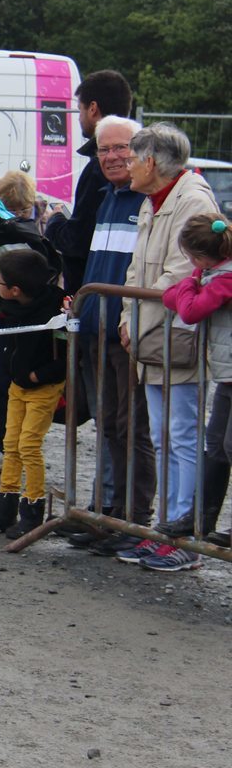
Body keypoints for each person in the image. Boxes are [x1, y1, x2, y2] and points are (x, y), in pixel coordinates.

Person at [116, 123, 218, 563]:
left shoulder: (192, 201)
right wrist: (128, 318)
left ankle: (184, 538)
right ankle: (167, 529)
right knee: (164, 438)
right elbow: (137, 271)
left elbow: (180, 274)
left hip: (177, 338)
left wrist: (134, 322)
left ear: (151, 161)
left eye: (131, 159)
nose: (126, 167)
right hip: (155, 338)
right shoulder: (154, 201)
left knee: (181, 437)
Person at [66, 116, 159, 554]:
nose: (111, 157)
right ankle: (109, 515)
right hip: (96, 331)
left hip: (126, 335)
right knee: (108, 426)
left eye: (121, 148)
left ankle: (135, 520)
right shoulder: (107, 197)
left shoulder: (147, 201)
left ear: (141, 152)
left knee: (132, 427)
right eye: (104, 150)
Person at [0, 249, 67, 538]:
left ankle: (33, 508)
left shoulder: (56, 311)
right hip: (17, 386)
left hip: (42, 388)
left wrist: (37, 376)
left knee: (28, 445)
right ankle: (5, 507)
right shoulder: (12, 309)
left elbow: (66, 357)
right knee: (10, 443)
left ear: (15, 289)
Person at [162, 213, 232, 555]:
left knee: (228, 446)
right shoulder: (213, 276)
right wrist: (195, 280)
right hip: (227, 376)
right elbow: (169, 297)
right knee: (216, 446)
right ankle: (201, 519)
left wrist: (192, 280)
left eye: (191, 259)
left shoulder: (223, 280)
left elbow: (188, 310)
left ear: (201, 257)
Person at [44, 70, 133, 293]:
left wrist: (54, 221)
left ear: (93, 108)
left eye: (79, 109)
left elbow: (78, 239)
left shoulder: (97, 170)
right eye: (104, 150)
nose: (111, 158)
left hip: (93, 288)